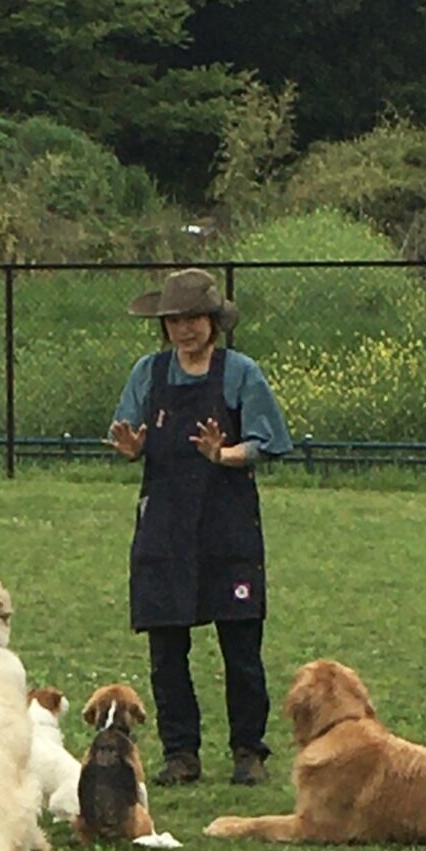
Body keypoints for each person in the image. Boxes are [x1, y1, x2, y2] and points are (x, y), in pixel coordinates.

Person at [108, 268, 292, 786]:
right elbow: (129, 432)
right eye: (174, 320)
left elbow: (269, 441)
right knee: (167, 651)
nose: (184, 330)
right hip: (164, 531)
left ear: (213, 322)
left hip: (228, 530)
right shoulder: (148, 373)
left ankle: (248, 752)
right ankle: (180, 754)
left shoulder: (241, 373)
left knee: (241, 648)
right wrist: (132, 448)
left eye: (193, 319)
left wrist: (225, 453)